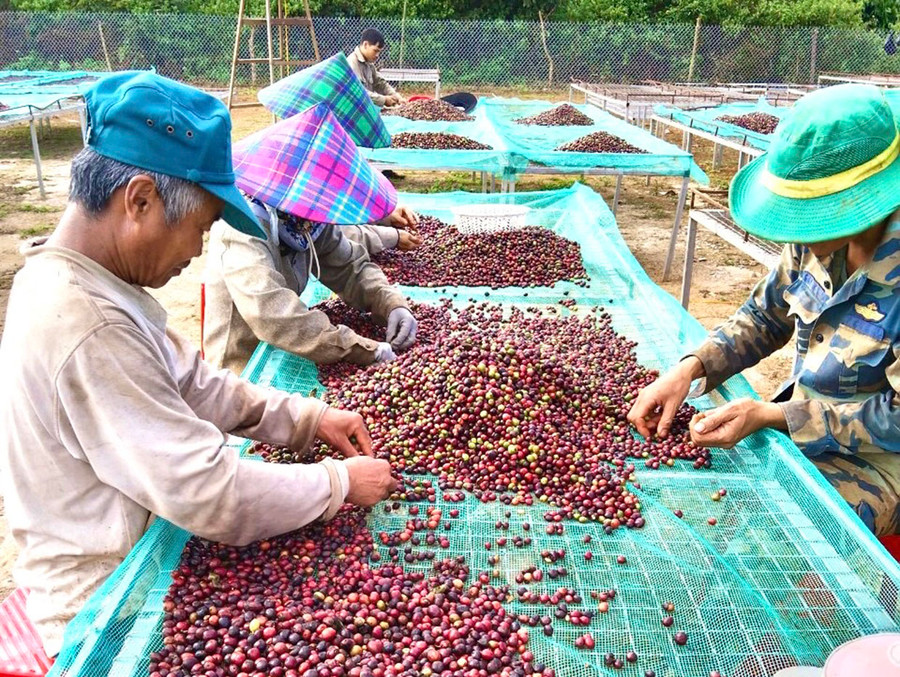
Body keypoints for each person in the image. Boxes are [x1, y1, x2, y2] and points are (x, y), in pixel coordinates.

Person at [0, 71, 396, 656]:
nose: (195, 251)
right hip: (107, 609)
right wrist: (337, 482)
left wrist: (307, 419)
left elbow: (193, 382)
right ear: (140, 200)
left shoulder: (91, 284)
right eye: (201, 227)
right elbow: (210, 491)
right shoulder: (87, 320)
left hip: (146, 556)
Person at [627, 84, 900, 536]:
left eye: (809, 214)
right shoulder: (816, 244)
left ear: (858, 202)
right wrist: (691, 368)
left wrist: (774, 416)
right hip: (808, 422)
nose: (796, 231)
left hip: (883, 459)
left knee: (775, 530)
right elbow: (763, 316)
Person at [203, 103, 419, 374]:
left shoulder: (305, 218)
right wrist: (354, 346)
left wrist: (389, 302)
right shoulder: (242, 224)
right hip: (241, 362)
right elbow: (270, 312)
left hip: (288, 349)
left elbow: (348, 267)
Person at [348, 28, 406, 109]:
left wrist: (396, 96)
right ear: (365, 45)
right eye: (375, 51)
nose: (377, 55)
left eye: (379, 52)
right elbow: (359, 93)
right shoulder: (352, 63)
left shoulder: (369, 64)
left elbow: (380, 83)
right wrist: (384, 100)